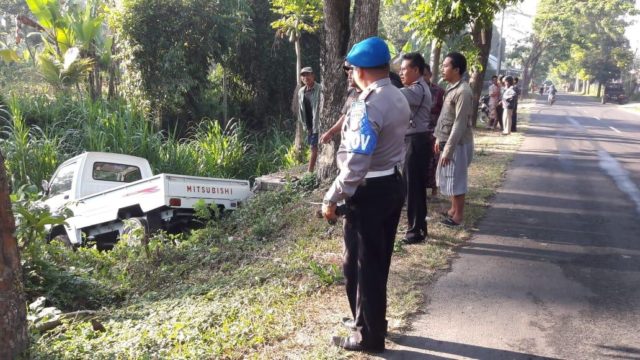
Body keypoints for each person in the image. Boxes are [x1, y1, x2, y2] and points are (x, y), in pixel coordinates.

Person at [322, 36, 409, 353]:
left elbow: (356, 163)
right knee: (376, 261)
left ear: (360, 70)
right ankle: (370, 321)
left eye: (351, 69)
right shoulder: (397, 96)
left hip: (367, 192)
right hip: (390, 185)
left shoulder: (368, 104)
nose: (350, 74)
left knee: (360, 265)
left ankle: (368, 336)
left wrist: (332, 197)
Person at [434, 52, 474, 228]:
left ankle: (457, 217)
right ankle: (452, 210)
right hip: (448, 140)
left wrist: (449, 149)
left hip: (458, 143)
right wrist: (438, 138)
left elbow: (459, 123)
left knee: (456, 179)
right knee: (449, 177)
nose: (443, 69)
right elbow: (446, 117)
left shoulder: (463, 92)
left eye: (446, 66)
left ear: (456, 69)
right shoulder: (452, 88)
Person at [399, 52, 432, 244]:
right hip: (415, 141)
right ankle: (419, 227)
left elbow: (393, 93)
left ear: (416, 70)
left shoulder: (417, 90)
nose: (402, 73)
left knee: (413, 189)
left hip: (415, 142)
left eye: (404, 69)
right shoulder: (419, 87)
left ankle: (415, 231)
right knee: (415, 188)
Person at [320, 61, 361, 144]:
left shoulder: (370, 94)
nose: (349, 76)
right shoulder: (352, 92)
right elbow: (345, 116)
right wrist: (331, 132)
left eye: (351, 71)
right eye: (347, 72)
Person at [424, 64, 445, 197]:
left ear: (430, 75)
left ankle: (434, 190)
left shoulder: (439, 92)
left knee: (435, 159)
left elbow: (444, 112)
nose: (423, 78)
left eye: (425, 74)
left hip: (435, 131)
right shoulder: (413, 91)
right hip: (419, 131)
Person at [297, 67, 323, 172]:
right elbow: (300, 110)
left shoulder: (320, 88)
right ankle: (314, 168)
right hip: (309, 125)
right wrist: (305, 126)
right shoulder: (301, 92)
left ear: (313, 75)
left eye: (308, 74)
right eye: (303, 75)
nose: (306, 77)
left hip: (319, 123)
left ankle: (310, 171)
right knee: (313, 147)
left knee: (313, 147)